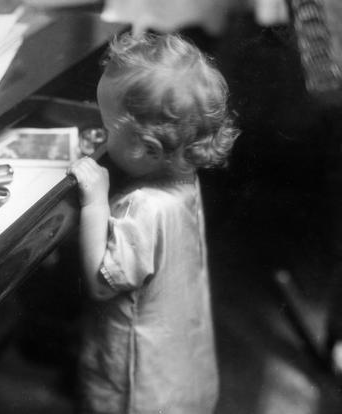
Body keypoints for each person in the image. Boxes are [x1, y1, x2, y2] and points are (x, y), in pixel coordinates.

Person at [68, 32, 239, 414]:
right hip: (179, 370)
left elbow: (100, 283)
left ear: (147, 149)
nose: (102, 134)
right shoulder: (184, 178)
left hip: (135, 386)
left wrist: (96, 200)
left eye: (108, 129)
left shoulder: (142, 207)